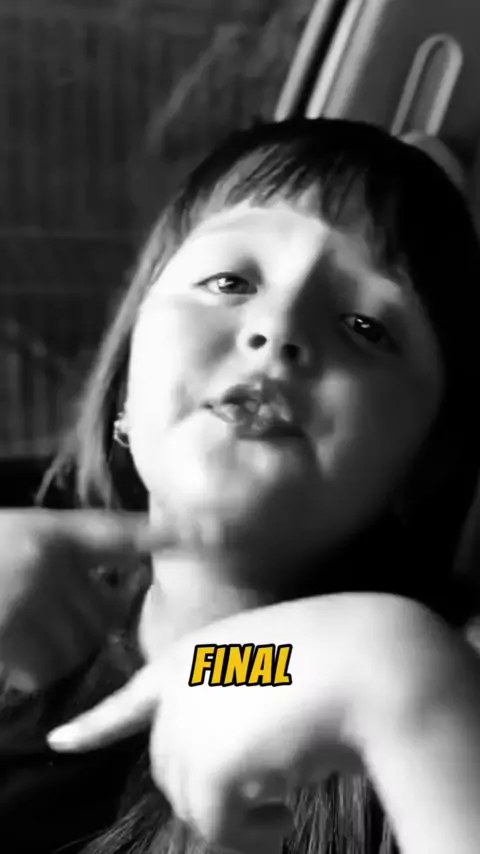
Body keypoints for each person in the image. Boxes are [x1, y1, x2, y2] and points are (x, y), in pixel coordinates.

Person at [2, 117, 480, 854]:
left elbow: (232, 671)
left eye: (365, 325)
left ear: (425, 463)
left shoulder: (435, 716)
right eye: (229, 282)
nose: (278, 327)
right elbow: (217, 670)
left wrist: (409, 694)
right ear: (127, 379)